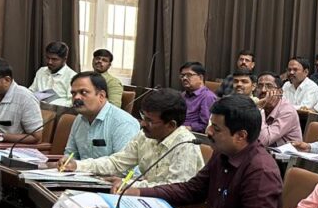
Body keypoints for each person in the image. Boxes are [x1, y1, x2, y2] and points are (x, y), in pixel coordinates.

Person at [137, 95, 282, 208]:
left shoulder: (260, 170)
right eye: (211, 124)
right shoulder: (222, 153)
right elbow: (191, 190)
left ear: (240, 136)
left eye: (216, 129)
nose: (208, 131)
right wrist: (139, 192)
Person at [66, 88, 203, 188]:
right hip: (145, 198)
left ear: (171, 125)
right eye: (143, 117)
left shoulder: (185, 144)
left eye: (149, 121)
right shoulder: (145, 135)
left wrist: (130, 185)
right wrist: (78, 165)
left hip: (172, 207)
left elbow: (174, 188)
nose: (142, 124)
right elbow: (117, 163)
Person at [64, 72, 140, 160]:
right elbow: (70, 154)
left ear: (101, 96)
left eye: (83, 92)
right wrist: (66, 161)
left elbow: (124, 164)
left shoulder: (123, 123)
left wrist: (80, 165)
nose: (76, 97)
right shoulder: (79, 119)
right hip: (80, 169)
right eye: (73, 93)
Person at [255, 71, 302, 147]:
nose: (263, 90)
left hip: (285, 153)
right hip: (265, 150)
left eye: (269, 86)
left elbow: (264, 141)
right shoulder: (256, 104)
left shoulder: (287, 111)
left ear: (280, 92)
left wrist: (260, 110)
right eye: (260, 86)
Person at [28, 41, 76, 107]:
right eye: (48, 58)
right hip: (35, 108)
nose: (49, 62)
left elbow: (72, 102)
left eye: (54, 59)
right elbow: (31, 92)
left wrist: (51, 104)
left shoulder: (72, 77)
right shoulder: (41, 71)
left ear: (64, 59)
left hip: (58, 111)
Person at [179, 62, 216, 132]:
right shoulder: (183, 95)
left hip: (192, 134)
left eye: (189, 75)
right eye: (182, 75)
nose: (184, 78)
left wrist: (187, 128)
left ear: (201, 77)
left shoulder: (208, 97)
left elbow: (205, 125)